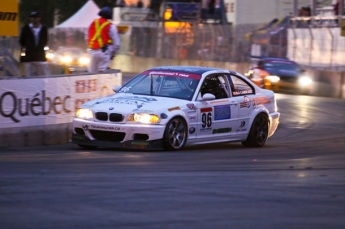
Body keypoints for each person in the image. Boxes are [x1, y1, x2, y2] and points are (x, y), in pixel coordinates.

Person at [87, 7, 120, 73]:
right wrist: (112, 53)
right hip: (105, 52)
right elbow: (117, 44)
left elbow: (87, 37)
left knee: (91, 74)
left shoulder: (92, 23)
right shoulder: (111, 26)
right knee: (102, 73)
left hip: (92, 52)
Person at [19, 11, 49, 77]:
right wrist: (22, 56)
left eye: (36, 17)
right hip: (29, 57)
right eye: (33, 17)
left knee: (44, 76)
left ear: (39, 18)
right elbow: (22, 42)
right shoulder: (26, 28)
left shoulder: (44, 29)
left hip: (40, 56)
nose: (34, 19)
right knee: (27, 76)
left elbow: (45, 40)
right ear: (30, 18)